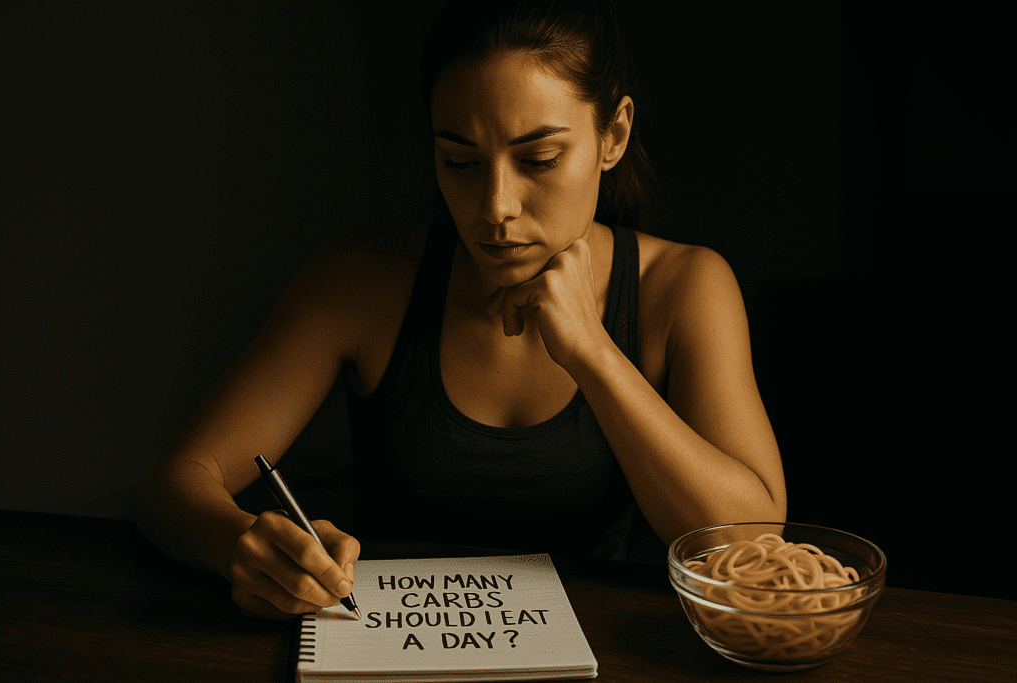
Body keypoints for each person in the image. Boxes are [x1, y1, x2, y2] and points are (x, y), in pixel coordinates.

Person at [136, 0, 786, 621]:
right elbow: (177, 485)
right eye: (460, 160)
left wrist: (593, 352)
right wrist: (240, 547)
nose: (495, 206)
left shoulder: (684, 286)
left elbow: (749, 541)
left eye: (538, 158)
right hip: (384, 647)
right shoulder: (362, 280)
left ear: (612, 135)